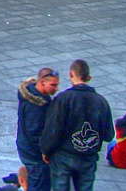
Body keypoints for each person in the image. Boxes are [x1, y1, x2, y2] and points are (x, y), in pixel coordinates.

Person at [39, 59, 114, 191]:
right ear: (89, 77)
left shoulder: (63, 99)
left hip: (63, 155)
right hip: (88, 157)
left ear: (71, 74)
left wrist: (46, 150)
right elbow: (109, 135)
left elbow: (53, 130)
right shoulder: (101, 102)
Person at [17, 67, 60, 191]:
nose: (56, 88)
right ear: (42, 82)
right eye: (53, 85)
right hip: (35, 155)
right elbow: (35, 135)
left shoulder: (40, 98)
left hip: (30, 152)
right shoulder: (35, 106)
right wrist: (46, 151)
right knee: (39, 186)